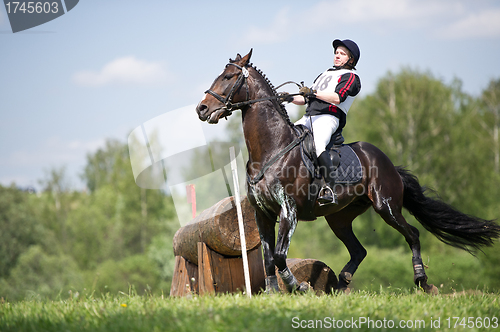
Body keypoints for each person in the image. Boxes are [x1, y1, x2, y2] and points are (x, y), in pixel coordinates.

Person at [290, 39, 361, 204]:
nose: (337, 56)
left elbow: (337, 97)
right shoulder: (325, 73)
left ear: (351, 60)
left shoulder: (351, 76)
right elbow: (305, 98)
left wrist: (313, 93)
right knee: (288, 138)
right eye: (336, 52)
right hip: (308, 117)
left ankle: (330, 188)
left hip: (328, 118)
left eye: (342, 54)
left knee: (318, 145)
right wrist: (288, 97)